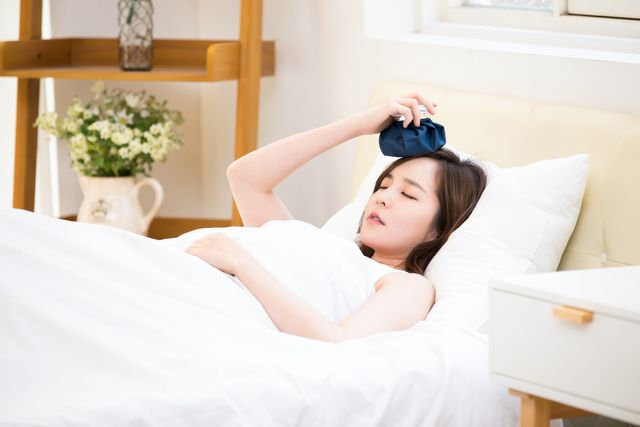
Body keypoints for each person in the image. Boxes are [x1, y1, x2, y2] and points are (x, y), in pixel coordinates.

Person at [185, 93, 487, 343]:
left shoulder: (409, 287)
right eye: (383, 186)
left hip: (206, 312)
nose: (382, 197)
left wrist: (241, 264)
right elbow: (244, 178)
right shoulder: (320, 244)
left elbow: (337, 341)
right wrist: (359, 125)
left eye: (408, 195)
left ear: (438, 229)